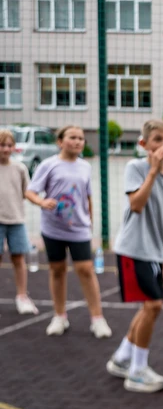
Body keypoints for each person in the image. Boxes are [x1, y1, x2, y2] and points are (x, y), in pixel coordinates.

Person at [105, 120, 163, 393]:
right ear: (143, 144)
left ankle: (122, 358)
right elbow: (137, 204)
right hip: (134, 248)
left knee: (149, 307)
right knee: (154, 306)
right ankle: (137, 372)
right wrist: (153, 171)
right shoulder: (137, 168)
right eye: (157, 139)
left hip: (154, 250)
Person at [27, 126, 110, 339]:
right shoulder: (49, 165)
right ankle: (59, 316)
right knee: (57, 270)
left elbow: (88, 196)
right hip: (53, 228)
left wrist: (90, 221)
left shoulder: (85, 167)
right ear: (60, 141)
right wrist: (41, 201)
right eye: (72, 137)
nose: (78, 142)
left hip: (79, 229)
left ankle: (97, 319)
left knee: (85, 269)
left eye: (81, 138)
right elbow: (30, 191)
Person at [0, 129, 37, 316]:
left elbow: (27, 192)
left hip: (16, 220)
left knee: (19, 258)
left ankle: (22, 296)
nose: (6, 149)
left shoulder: (20, 168)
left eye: (9, 145)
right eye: (2, 145)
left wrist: (42, 201)